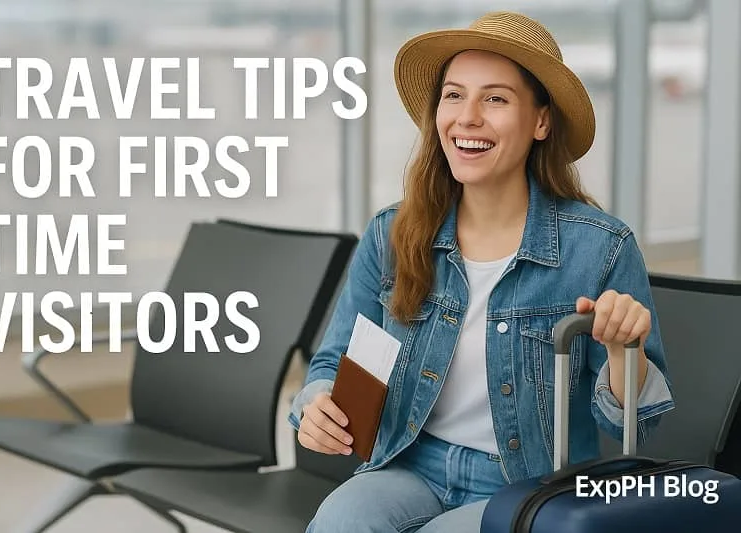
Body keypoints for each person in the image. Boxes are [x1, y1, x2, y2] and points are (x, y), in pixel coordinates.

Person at [288, 11, 675, 532]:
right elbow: (334, 360)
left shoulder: (601, 248)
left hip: (530, 485)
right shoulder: (392, 234)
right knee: (336, 523)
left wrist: (621, 348)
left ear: (540, 122)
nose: (467, 117)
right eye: (453, 95)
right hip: (412, 463)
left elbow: (633, 424)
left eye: (495, 98)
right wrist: (316, 402)